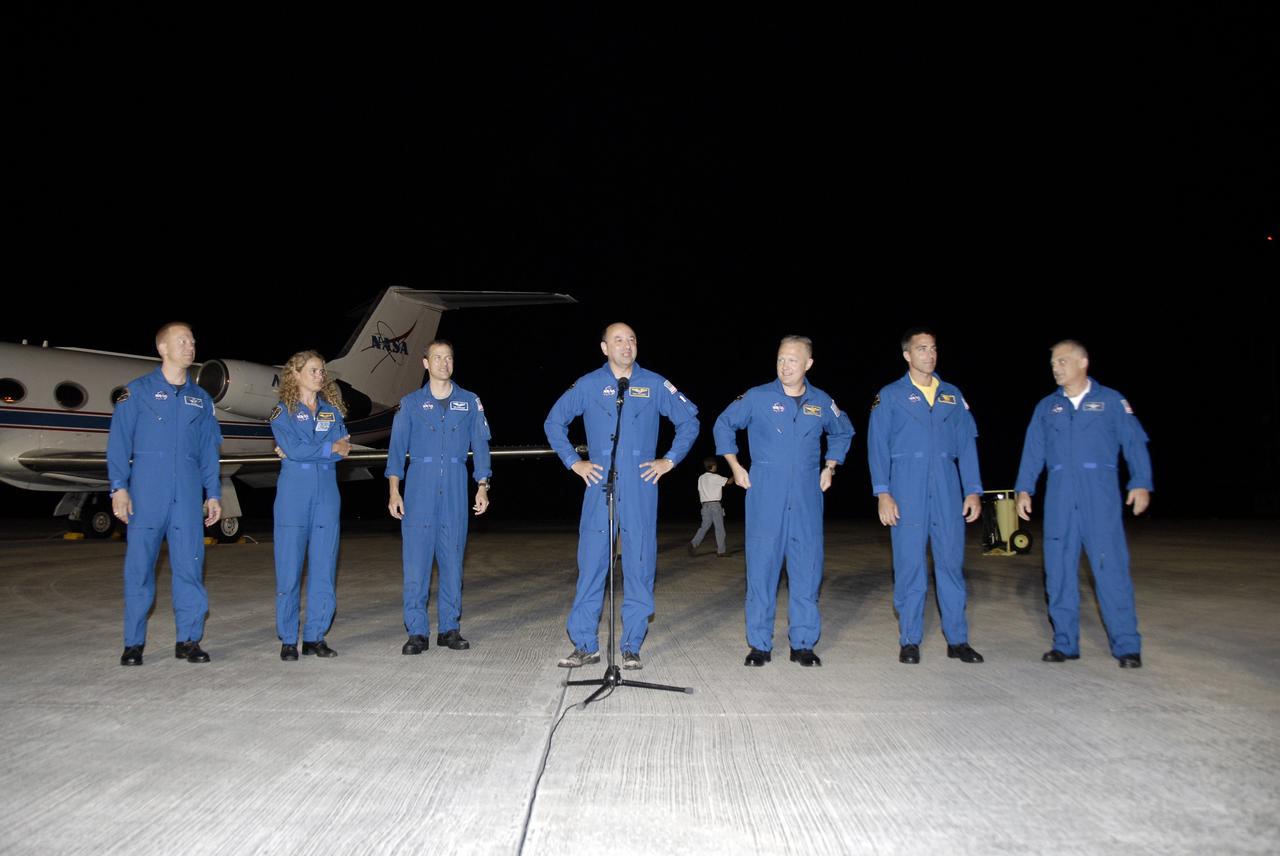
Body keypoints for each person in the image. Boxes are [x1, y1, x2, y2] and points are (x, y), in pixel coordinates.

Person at [544, 322, 699, 671]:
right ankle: (585, 644)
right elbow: (554, 422)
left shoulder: (655, 384)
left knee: (640, 564)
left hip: (641, 484)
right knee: (592, 564)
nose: (626, 345)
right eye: (618, 340)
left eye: (631, 340)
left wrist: (669, 459)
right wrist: (574, 463)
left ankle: (631, 645)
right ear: (604, 348)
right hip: (599, 483)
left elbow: (690, 421)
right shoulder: (587, 385)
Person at [713, 335, 853, 668]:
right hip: (765, 495)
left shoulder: (821, 401)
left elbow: (843, 431)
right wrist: (735, 465)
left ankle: (803, 644)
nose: (784, 366)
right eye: (780, 359)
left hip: (806, 496)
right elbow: (723, 424)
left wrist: (830, 466)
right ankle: (759, 645)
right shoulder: (757, 397)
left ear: (808, 364)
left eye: (792, 360)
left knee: (806, 570)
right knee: (761, 570)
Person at [1015, 340, 1152, 668]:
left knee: (1111, 569)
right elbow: (1033, 449)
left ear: (1083, 362)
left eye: (1062, 361)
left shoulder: (1111, 401)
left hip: (1099, 495)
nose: (1056, 368)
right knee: (1059, 571)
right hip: (1061, 496)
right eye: (1052, 363)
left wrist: (1141, 482)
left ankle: (1126, 646)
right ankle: (1064, 643)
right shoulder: (1047, 407)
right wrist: (1024, 489)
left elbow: (1134, 442)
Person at [867, 328, 985, 665]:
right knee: (909, 567)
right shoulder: (890, 396)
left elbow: (967, 446)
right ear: (907, 355)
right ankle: (910, 640)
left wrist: (973, 490)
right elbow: (877, 447)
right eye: (922, 349)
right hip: (906, 487)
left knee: (950, 564)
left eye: (933, 348)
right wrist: (883, 493)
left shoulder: (952, 395)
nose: (929, 355)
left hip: (947, 489)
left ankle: (958, 640)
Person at [108, 322, 222, 666]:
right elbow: (118, 443)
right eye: (182, 341)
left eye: (193, 340)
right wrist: (119, 487)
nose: (190, 346)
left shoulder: (200, 399)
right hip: (146, 495)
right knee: (139, 569)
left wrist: (213, 493)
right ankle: (133, 643)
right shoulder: (138, 391)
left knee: (190, 567)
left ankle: (188, 640)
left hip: (186, 498)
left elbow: (208, 450)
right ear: (162, 348)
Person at [387, 340, 491, 655]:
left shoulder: (470, 402)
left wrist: (482, 484)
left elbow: (482, 447)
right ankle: (416, 632)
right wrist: (394, 490)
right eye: (437, 358)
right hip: (419, 487)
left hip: (457, 488)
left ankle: (449, 628)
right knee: (416, 564)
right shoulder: (410, 403)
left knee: (452, 562)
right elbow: (396, 451)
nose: (443, 363)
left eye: (448, 358)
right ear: (425, 364)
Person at [270, 351, 351, 661]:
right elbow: (293, 448)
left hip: (327, 493)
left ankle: (316, 636)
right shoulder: (282, 412)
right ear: (296, 374)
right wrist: (328, 447)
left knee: (324, 567)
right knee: (289, 569)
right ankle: (289, 639)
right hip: (294, 493)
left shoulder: (333, 412)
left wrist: (321, 450)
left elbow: (343, 448)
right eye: (314, 370)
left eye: (322, 370)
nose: (321, 375)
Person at [688, 457, 734, 557]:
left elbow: (700, 491)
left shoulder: (701, 478)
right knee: (719, 528)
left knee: (704, 527)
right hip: (715, 505)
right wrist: (735, 474)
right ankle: (721, 551)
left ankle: (693, 543)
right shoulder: (715, 477)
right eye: (715, 465)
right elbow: (729, 482)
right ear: (713, 466)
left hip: (705, 506)